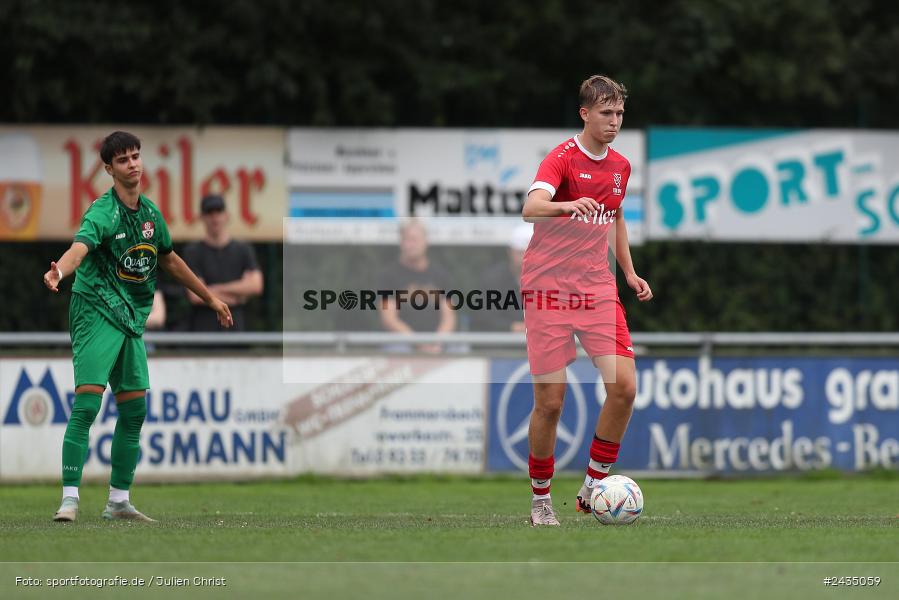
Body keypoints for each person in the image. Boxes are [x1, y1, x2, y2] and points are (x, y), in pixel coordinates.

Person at [43, 131, 233, 523]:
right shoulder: (103, 212)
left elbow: (170, 260)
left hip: (130, 317)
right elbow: (80, 248)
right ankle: (69, 500)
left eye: (136, 156)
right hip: (95, 309)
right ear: (109, 169)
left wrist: (211, 297)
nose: (133, 164)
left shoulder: (149, 216)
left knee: (135, 411)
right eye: (124, 159)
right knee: (88, 404)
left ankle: (118, 501)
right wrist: (60, 270)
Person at [520, 75, 653, 526]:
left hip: (597, 289)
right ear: (585, 114)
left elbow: (614, 219)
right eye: (605, 113)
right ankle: (540, 500)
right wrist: (564, 205)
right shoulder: (560, 159)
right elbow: (530, 207)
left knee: (625, 388)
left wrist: (630, 272)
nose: (613, 122)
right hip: (548, 289)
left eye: (619, 114)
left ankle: (593, 486)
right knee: (551, 402)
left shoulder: (621, 167)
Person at [182, 194, 263, 331]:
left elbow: (256, 285)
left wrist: (211, 291)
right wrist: (238, 296)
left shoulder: (243, 249)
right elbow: (195, 295)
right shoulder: (193, 252)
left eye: (218, 211)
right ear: (202, 217)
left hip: (237, 328)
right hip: (203, 332)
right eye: (209, 213)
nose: (215, 218)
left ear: (226, 215)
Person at [379, 219, 456, 353]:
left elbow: (449, 316)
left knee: (460, 349)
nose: (410, 245)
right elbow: (389, 318)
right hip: (403, 343)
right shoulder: (388, 276)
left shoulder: (441, 275)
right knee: (397, 350)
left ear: (425, 242)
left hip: (438, 343)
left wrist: (437, 342)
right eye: (406, 240)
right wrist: (417, 343)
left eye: (414, 240)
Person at [468, 223, 532, 332]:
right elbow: (483, 317)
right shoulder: (492, 279)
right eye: (520, 252)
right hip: (499, 347)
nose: (526, 258)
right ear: (510, 252)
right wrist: (511, 327)